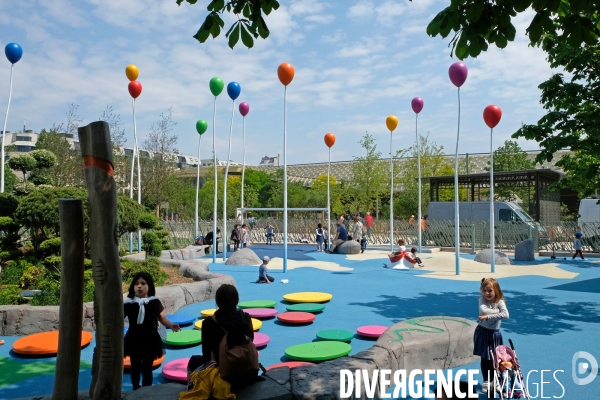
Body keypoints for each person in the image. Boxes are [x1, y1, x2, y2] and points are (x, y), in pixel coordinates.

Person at [187, 284, 256, 386]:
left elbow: (207, 356)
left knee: (193, 361)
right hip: (249, 372)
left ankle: (194, 389)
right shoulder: (245, 318)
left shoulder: (209, 323)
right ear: (237, 300)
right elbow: (250, 341)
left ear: (217, 302)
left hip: (224, 375)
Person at [124, 272, 180, 390]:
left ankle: (146, 389)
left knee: (147, 367)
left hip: (150, 339)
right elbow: (118, 319)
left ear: (149, 286)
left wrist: (171, 325)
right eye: (136, 283)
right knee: (135, 366)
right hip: (134, 339)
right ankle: (135, 387)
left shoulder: (155, 302)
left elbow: (162, 318)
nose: (139, 286)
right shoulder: (128, 304)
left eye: (143, 283)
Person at [474, 277, 509, 395]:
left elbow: (506, 315)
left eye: (490, 291)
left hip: (495, 334)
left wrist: (488, 316)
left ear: (496, 291)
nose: (487, 293)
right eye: (484, 291)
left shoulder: (500, 302)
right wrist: (498, 314)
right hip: (483, 332)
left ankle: (495, 380)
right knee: (485, 358)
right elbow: (485, 310)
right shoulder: (482, 300)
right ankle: (486, 381)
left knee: (496, 358)